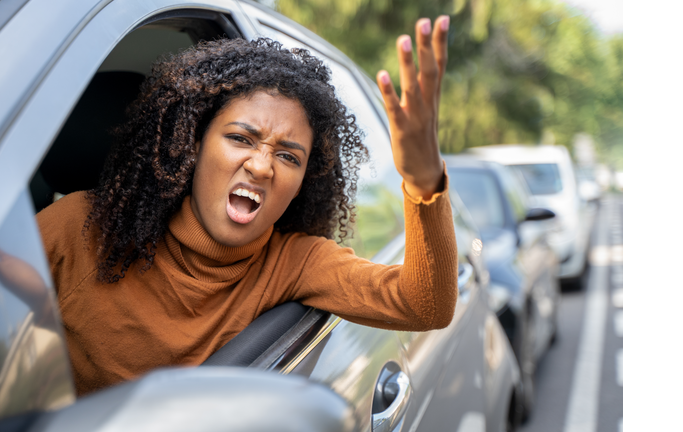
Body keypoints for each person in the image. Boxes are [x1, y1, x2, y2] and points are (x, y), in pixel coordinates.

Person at [33, 16, 457, 396]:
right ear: (193, 144)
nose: (261, 166)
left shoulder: (294, 263)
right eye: (240, 138)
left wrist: (423, 183)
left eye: (288, 156)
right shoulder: (80, 226)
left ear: (300, 186)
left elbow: (425, 304)